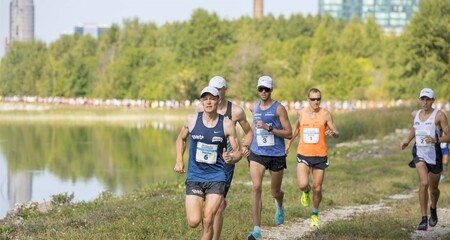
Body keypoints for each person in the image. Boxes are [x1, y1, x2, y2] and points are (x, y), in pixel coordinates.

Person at [174, 86, 242, 240]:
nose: (208, 101)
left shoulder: (226, 124)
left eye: (212, 98)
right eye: (205, 98)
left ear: (218, 100)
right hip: (195, 176)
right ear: (201, 101)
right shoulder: (191, 120)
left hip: (217, 177)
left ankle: (213, 204)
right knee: (193, 221)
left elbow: (237, 152)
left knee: (208, 219)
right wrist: (179, 159)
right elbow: (181, 138)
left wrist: (232, 157)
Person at [197, 76, 252, 240]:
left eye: (218, 90)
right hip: (204, 162)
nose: (215, 94)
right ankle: (206, 232)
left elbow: (249, 132)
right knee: (205, 207)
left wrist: (245, 147)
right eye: (212, 89)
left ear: (224, 90)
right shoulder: (201, 109)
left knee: (218, 207)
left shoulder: (235, 111)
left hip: (225, 163)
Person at [242, 76, 292, 240]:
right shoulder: (254, 107)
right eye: (261, 89)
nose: (263, 92)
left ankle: (280, 203)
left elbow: (289, 133)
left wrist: (270, 128)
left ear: (271, 90)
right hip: (257, 153)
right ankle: (256, 230)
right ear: (257, 89)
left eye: (267, 89)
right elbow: (250, 121)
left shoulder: (279, 108)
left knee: (274, 191)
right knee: (256, 187)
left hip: (276, 154)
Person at [285, 88, 339, 227]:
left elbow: (335, 131)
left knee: (317, 188)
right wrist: (289, 143)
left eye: (318, 99)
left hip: (320, 155)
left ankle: (315, 213)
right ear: (308, 99)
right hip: (304, 153)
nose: (316, 101)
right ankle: (305, 192)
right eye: (313, 99)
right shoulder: (301, 113)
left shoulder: (326, 114)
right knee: (303, 184)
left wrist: (333, 133)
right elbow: (296, 128)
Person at [400, 88, 450, 231]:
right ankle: (423, 219)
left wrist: (435, 139)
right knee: (424, 182)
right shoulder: (415, 114)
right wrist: (407, 140)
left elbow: (449, 135)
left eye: (428, 99)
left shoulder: (439, 116)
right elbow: (415, 128)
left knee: (434, 189)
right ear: (419, 100)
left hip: (435, 155)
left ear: (433, 101)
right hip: (419, 153)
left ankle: (433, 208)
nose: (425, 102)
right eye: (423, 99)